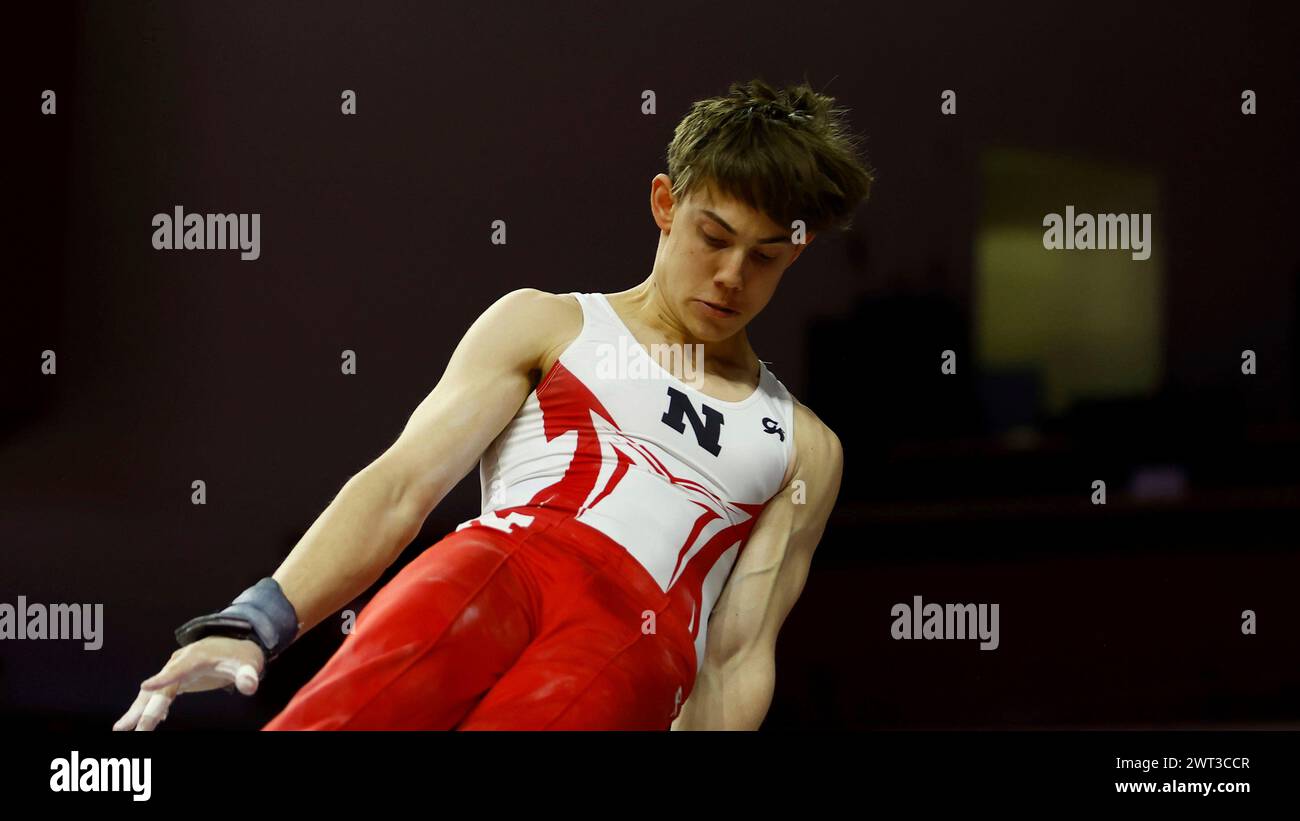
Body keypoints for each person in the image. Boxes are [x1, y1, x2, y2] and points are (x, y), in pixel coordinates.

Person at [114, 78, 873, 731]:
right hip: (506, 561)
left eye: (766, 255)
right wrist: (253, 621)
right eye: (715, 236)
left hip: (638, 638)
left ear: (796, 251)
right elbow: (401, 484)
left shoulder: (803, 446)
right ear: (665, 204)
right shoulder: (547, 323)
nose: (733, 275)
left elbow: (737, 657)